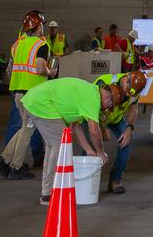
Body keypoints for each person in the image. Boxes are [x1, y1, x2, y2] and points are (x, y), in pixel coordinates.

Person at [22, 76, 116, 207]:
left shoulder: (89, 91)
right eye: (109, 107)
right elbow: (94, 131)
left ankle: (48, 189)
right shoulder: (93, 99)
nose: (105, 109)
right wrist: (100, 152)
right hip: (41, 102)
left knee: (52, 146)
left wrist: (89, 150)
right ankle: (47, 194)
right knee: (59, 145)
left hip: (34, 99)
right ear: (108, 98)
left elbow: (76, 126)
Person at [0, 10, 51, 179]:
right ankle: (16, 166)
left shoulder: (17, 44)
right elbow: (41, 69)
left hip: (19, 94)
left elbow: (12, 69)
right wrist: (52, 71)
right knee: (28, 130)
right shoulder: (41, 45)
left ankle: (5, 159)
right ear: (38, 26)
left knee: (24, 127)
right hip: (32, 96)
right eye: (42, 25)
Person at [94, 70, 147, 194]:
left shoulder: (134, 90)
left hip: (115, 118)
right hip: (94, 116)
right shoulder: (104, 82)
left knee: (127, 141)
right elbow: (92, 106)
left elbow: (134, 108)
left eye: (131, 93)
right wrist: (100, 127)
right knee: (91, 146)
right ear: (126, 79)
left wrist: (129, 128)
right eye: (127, 90)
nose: (128, 94)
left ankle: (115, 180)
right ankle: (85, 180)